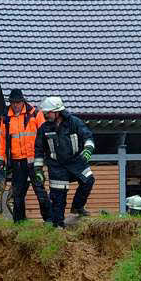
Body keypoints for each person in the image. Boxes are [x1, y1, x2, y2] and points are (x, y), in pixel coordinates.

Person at [34, 96, 95, 228]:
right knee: (58, 198)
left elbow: (87, 136)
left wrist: (88, 149)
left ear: (57, 112)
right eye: (44, 113)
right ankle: (58, 226)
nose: (45, 115)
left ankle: (78, 207)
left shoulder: (74, 122)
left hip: (76, 161)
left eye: (48, 113)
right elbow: (39, 150)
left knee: (88, 180)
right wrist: (38, 170)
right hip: (57, 166)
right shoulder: (44, 129)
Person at [0, 88, 51, 222]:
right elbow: (2, 140)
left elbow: (45, 135)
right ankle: (19, 223)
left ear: (22, 101)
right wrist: (1, 159)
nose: (15, 105)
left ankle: (50, 221)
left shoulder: (35, 114)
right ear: (10, 102)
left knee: (40, 191)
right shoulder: (6, 118)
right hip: (17, 162)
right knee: (17, 194)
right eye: (13, 102)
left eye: (18, 102)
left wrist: (46, 155)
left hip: (34, 161)